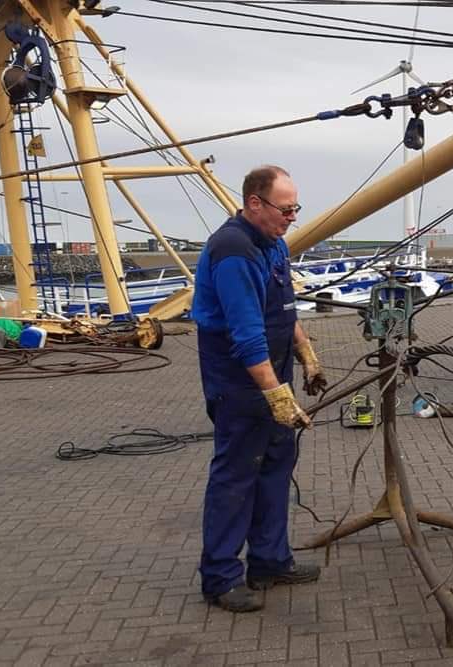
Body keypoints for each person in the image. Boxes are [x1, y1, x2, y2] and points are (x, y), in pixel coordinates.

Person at [192, 165, 328, 613]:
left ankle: (270, 561)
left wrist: (307, 356)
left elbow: (283, 309)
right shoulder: (233, 250)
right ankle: (220, 577)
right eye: (285, 209)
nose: (292, 217)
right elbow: (246, 334)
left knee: (275, 464)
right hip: (239, 379)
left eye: (295, 209)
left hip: (274, 372)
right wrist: (275, 395)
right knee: (236, 474)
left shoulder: (274, 244)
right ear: (255, 203)